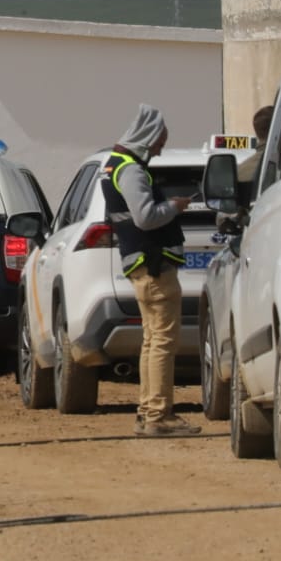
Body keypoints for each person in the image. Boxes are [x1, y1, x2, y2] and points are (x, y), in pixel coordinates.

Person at [101, 104, 200, 437]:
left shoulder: (116, 165)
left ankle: (149, 411)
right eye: (159, 143)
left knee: (152, 340)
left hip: (143, 266)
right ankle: (159, 416)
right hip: (154, 266)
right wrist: (174, 206)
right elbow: (145, 217)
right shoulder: (130, 170)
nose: (159, 150)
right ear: (147, 137)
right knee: (162, 342)